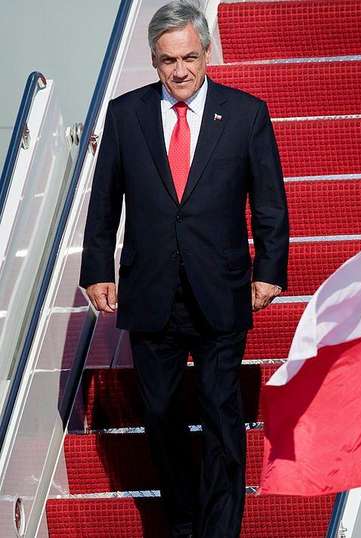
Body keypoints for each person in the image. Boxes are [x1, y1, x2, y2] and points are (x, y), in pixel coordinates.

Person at [78, 1, 288, 536]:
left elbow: (268, 202)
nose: (181, 71)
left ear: (207, 52)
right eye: (169, 60)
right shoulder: (125, 115)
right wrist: (98, 268)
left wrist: (268, 270)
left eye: (190, 57)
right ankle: (182, 522)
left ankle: (221, 529)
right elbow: (104, 202)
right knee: (162, 415)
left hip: (220, 288)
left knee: (221, 414)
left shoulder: (246, 114)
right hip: (151, 294)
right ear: (153, 59)